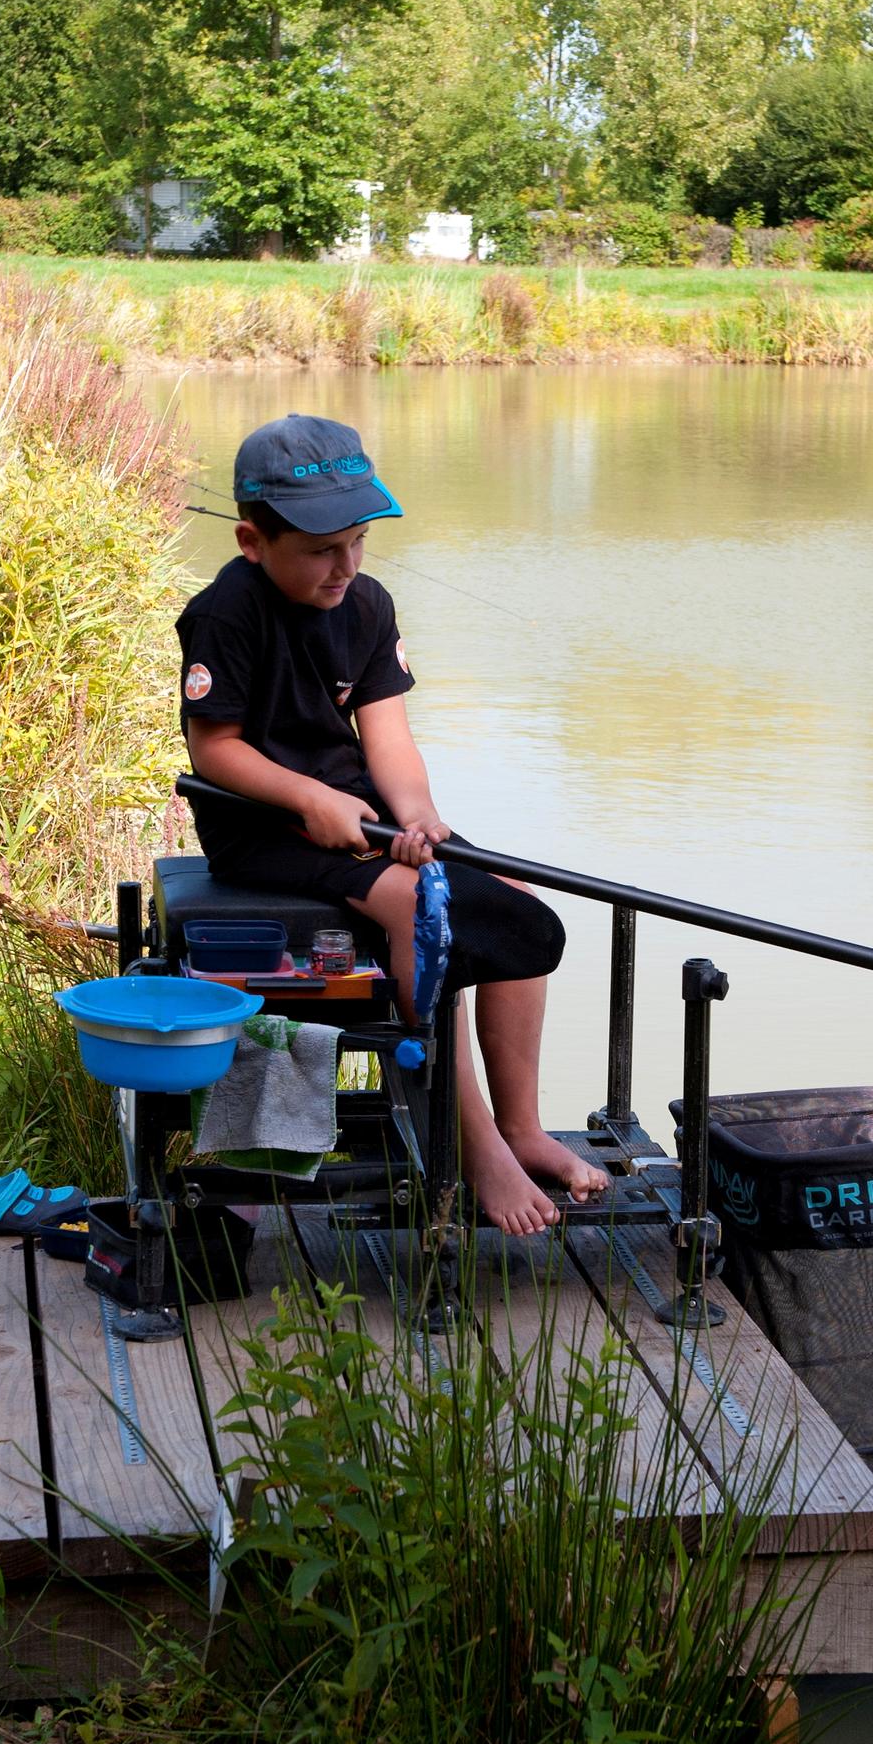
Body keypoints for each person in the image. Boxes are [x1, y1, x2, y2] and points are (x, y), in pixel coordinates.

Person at [174, 413, 607, 1236]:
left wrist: (420, 820)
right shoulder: (224, 613)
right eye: (320, 550)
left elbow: (392, 742)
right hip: (261, 828)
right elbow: (215, 750)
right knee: (422, 907)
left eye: (357, 542)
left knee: (509, 894)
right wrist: (308, 799)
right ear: (252, 540)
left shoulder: (367, 605)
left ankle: (522, 1126)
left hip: (363, 811)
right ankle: (474, 1145)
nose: (345, 566)